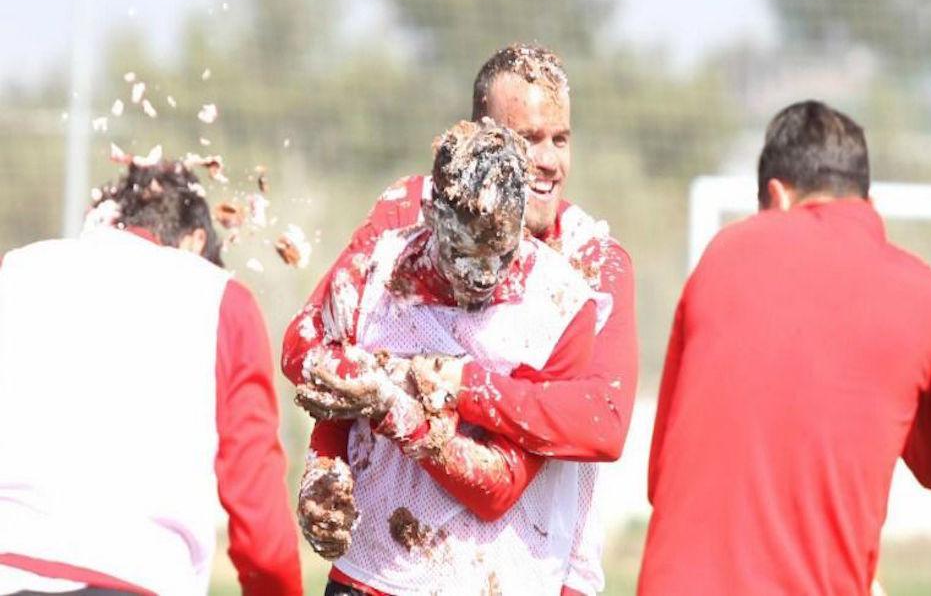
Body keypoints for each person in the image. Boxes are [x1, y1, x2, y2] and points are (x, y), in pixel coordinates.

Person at [284, 119, 608, 595]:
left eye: (499, 252)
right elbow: (325, 384)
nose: (482, 273)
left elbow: (498, 487)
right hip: (369, 576)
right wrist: (324, 471)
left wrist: (394, 407)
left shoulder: (560, 308)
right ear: (432, 214)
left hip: (491, 580)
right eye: (465, 250)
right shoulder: (372, 274)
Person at [639, 100, 931, 595]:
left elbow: (661, 480)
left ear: (775, 196)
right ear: (868, 200)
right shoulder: (922, 296)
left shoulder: (722, 257)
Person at [0, 159, 302, 595]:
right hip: (141, 575)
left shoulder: (18, 270)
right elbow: (259, 515)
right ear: (197, 240)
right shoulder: (222, 298)